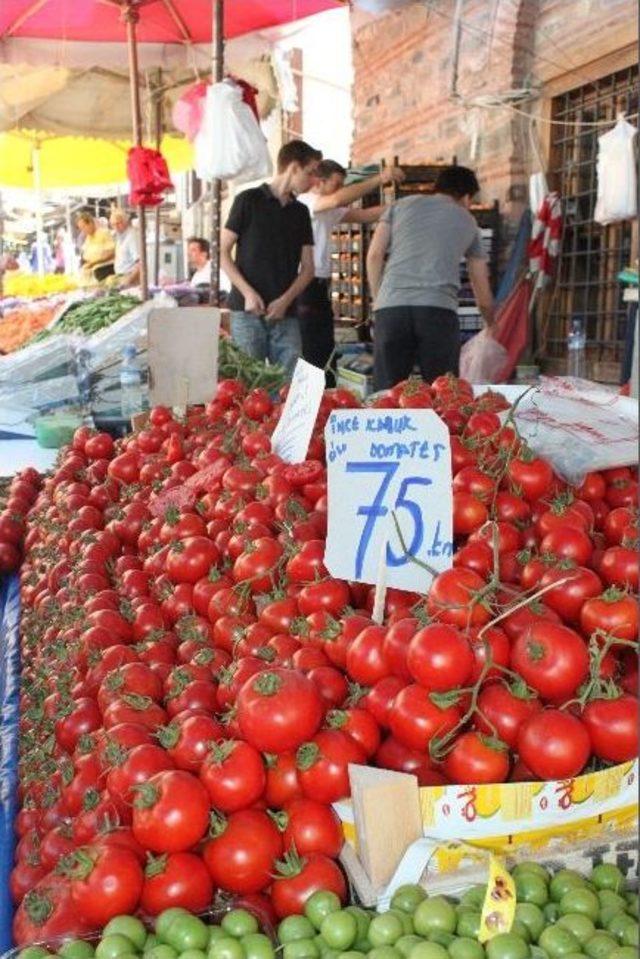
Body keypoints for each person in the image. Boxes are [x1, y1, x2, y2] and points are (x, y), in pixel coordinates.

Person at [367, 165, 496, 391]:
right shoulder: (469, 221)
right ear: (466, 196)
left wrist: (379, 300)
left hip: (391, 309)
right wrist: (490, 323)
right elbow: (481, 288)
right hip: (438, 313)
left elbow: (375, 255)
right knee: (443, 395)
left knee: (387, 394)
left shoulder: (399, 206)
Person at [221, 139, 322, 379]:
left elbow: (308, 269)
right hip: (246, 312)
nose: (314, 180)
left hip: (286, 314)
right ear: (294, 167)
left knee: (289, 385)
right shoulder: (247, 200)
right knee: (246, 385)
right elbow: (223, 252)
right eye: (310, 172)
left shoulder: (301, 212)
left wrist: (286, 300)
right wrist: (247, 293)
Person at [296, 160, 405, 381]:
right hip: (305, 284)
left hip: (321, 285)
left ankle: (327, 393)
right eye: (336, 183)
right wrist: (380, 178)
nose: (340, 189)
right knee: (311, 346)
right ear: (319, 181)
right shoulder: (306, 202)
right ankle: (314, 396)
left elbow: (364, 215)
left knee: (324, 345)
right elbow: (338, 198)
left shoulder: (327, 209)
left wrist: (405, 207)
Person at [76, 212, 115, 283]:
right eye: (81, 228)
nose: (83, 231)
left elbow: (111, 252)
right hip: (94, 273)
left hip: (106, 271)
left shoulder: (104, 233)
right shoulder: (88, 238)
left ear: (90, 223)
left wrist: (93, 263)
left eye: (84, 227)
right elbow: (85, 255)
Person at [110, 208, 141, 287]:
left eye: (118, 223)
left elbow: (140, 263)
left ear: (125, 221)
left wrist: (129, 280)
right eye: (113, 224)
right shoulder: (119, 236)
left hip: (131, 279)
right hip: (121, 277)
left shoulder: (132, 236)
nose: (116, 227)